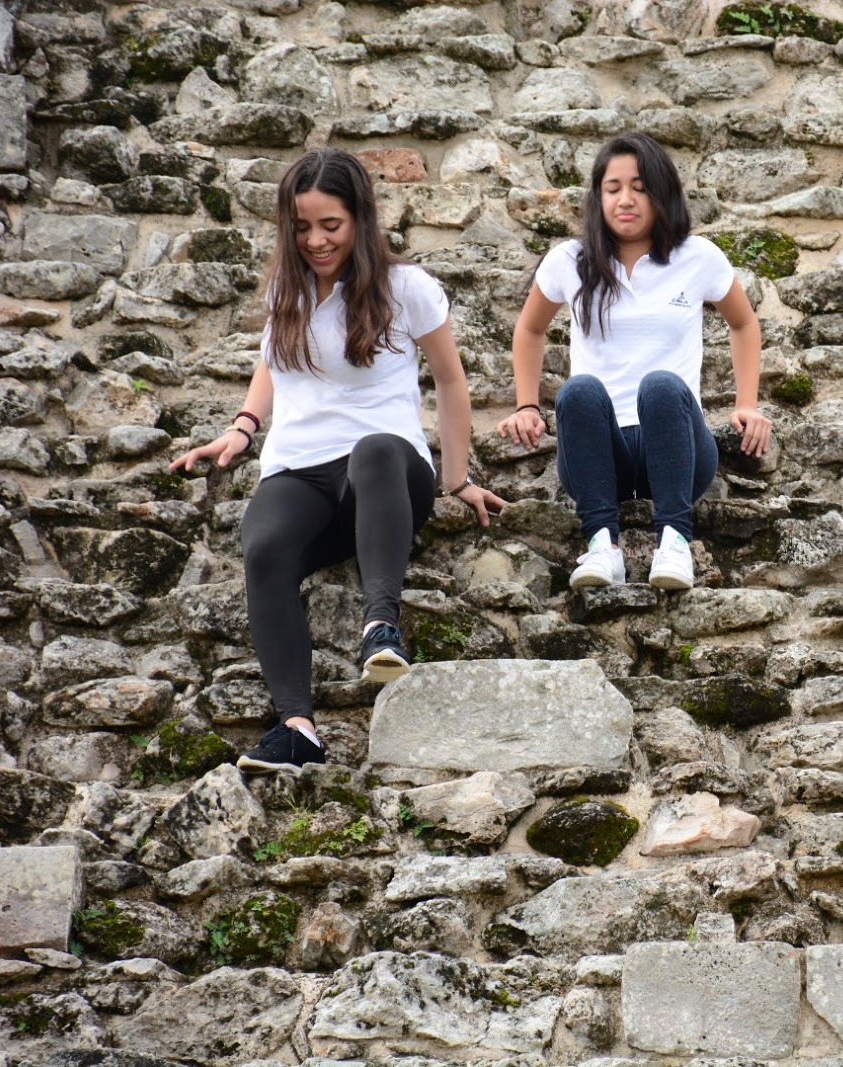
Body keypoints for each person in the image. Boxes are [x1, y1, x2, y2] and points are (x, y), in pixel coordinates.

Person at [170, 148, 504, 773]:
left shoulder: (406, 288)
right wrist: (242, 429)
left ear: (360, 219)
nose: (316, 241)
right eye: (302, 227)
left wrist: (457, 478)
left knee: (374, 449)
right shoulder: (287, 289)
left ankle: (381, 625)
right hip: (299, 465)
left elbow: (450, 380)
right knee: (264, 548)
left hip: (385, 474)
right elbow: (272, 362)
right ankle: (297, 728)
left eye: (331, 225)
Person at [496, 131, 770, 591]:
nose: (625, 199)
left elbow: (744, 324)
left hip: (679, 448)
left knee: (661, 384)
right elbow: (529, 329)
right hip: (602, 455)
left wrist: (747, 404)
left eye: (640, 188)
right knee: (578, 391)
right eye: (613, 188)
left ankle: (675, 544)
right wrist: (526, 404)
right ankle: (602, 546)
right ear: (598, 197)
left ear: (662, 193)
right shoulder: (569, 260)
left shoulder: (697, 257)